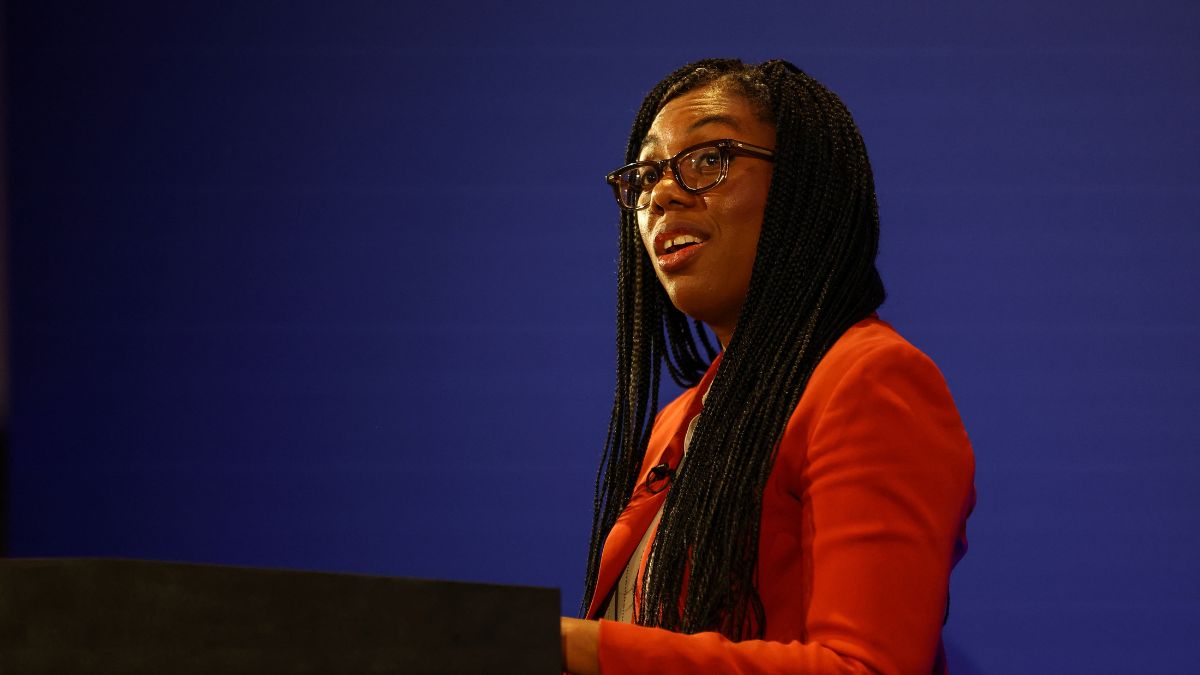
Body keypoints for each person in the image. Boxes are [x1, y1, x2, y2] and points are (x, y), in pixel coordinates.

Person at [558, 59, 976, 674]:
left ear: (802, 189)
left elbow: (865, 668)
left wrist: (579, 647)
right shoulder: (678, 422)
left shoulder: (870, 380)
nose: (662, 193)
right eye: (646, 174)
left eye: (708, 159)